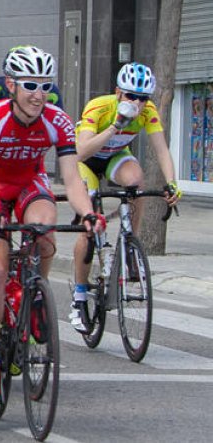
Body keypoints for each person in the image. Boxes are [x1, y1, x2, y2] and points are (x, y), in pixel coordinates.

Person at [0, 45, 101, 405]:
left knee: (44, 233)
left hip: (30, 183)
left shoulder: (57, 120)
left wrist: (88, 213)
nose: (39, 94)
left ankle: (36, 293)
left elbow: (72, 180)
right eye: (30, 85)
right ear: (11, 85)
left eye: (45, 86)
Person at [69, 61, 181, 331]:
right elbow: (81, 151)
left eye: (144, 98)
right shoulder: (99, 106)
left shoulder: (148, 111)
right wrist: (115, 126)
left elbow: (161, 149)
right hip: (86, 161)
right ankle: (80, 297)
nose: (138, 103)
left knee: (136, 181)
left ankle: (131, 245)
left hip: (114, 158)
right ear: (118, 92)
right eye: (132, 96)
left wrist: (172, 183)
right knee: (88, 224)